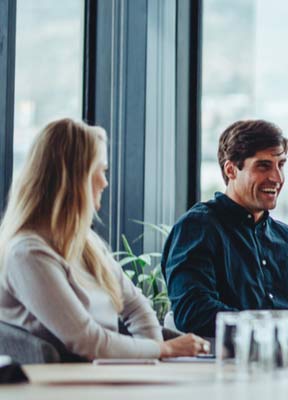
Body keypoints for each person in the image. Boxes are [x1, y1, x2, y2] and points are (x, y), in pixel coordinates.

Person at [0, 118, 209, 360]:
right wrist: (164, 349)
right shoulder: (28, 254)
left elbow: (135, 305)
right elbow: (87, 341)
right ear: (76, 178)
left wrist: (152, 355)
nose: (105, 182)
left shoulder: (85, 243)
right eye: (101, 170)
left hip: (101, 376)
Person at [163, 120, 288, 356]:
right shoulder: (197, 227)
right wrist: (281, 331)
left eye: (280, 165)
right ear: (231, 170)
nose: (277, 177)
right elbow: (194, 311)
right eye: (263, 166)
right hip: (224, 377)